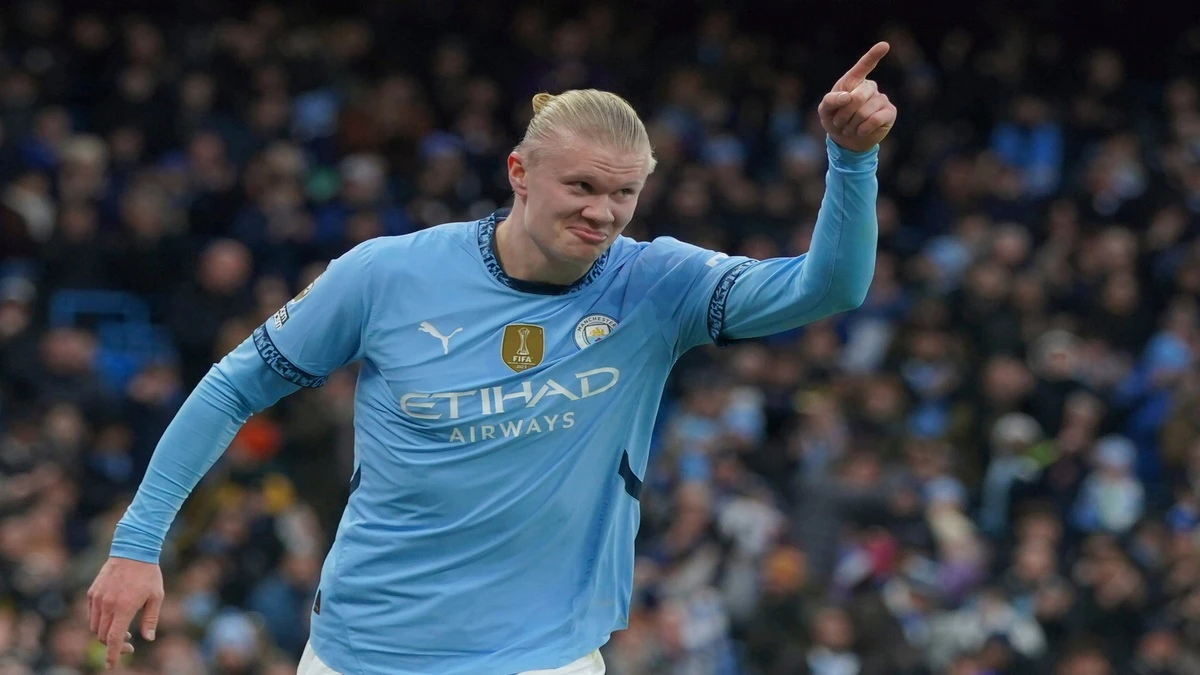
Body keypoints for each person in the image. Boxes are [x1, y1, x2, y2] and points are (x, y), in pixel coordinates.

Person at [86, 42, 897, 674]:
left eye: (624, 193)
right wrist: (136, 542)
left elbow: (828, 288)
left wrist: (851, 160)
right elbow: (233, 386)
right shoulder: (387, 275)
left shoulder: (657, 285)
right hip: (367, 650)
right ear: (519, 172)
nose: (603, 212)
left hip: (545, 653)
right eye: (581, 186)